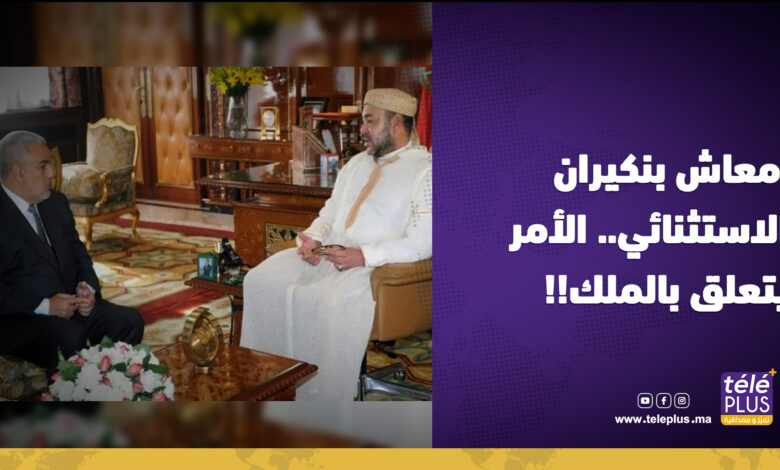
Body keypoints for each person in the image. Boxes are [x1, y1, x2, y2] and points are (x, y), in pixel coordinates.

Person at [241, 88, 432, 400]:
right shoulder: (356, 163)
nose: (362, 129)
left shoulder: (426, 170)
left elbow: (425, 242)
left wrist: (364, 255)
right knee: (259, 280)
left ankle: (322, 399)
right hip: (327, 255)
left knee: (323, 301)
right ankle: (269, 385)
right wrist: (314, 237)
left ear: (396, 122)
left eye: (370, 121)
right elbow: (329, 213)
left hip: (373, 269)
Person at [0, 131, 144, 378]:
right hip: (21, 319)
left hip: (72, 306)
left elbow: (78, 253)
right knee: (69, 336)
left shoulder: (55, 202)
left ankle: (109, 388)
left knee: (128, 321)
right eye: (43, 166)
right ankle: (68, 399)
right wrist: (46, 306)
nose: (52, 174)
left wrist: (88, 289)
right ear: (18, 172)